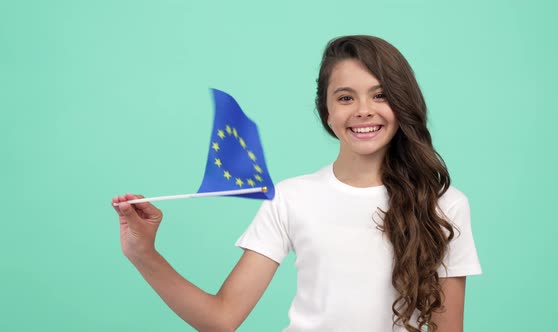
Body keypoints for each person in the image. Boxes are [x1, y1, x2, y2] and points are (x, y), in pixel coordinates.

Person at [112, 35, 482, 332]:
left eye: (381, 94)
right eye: (345, 97)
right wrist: (143, 254)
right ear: (326, 110)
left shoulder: (444, 205)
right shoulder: (290, 198)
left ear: (403, 102)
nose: (364, 109)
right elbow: (221, 319)